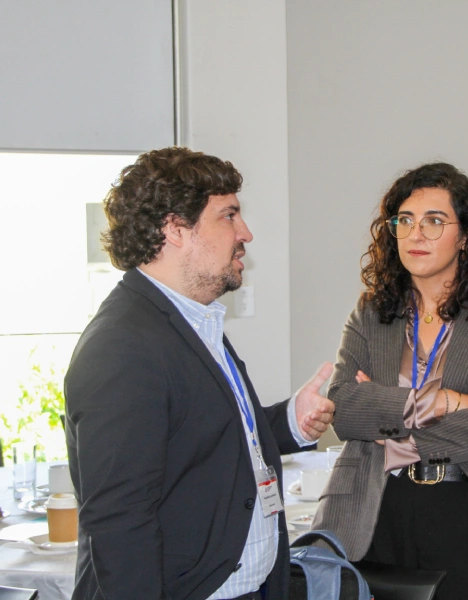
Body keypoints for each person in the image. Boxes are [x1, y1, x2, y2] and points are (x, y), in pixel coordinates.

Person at [64, 147, 336, 600]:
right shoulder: (122, 345)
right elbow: (118, 521)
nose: (245, 232)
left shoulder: (192, 320)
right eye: (228, 215)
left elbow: (208, 441)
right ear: (175, 229)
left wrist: (291, 420)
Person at [311, 162, 468, 600]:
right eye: (404, 221)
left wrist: (390, 422)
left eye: (434, 221)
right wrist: (444, 401)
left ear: (465, 236)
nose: (416, 234)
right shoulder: (370, 313)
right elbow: (345, 409)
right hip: (375, 508)